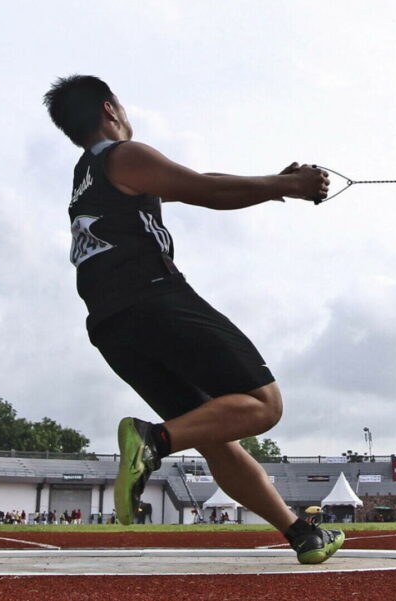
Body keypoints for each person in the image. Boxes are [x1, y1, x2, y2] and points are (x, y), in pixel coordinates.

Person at [42, 75, 343, 565]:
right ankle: (153, 440)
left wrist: (272, 184)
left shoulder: (89, 174)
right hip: (153, 297)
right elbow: (203, 190)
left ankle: (299, 532)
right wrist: (288, 184)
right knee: (263, 405)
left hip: (111, 325)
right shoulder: (124, 155)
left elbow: (199, 179)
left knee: (214, 433)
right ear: (109, 107)